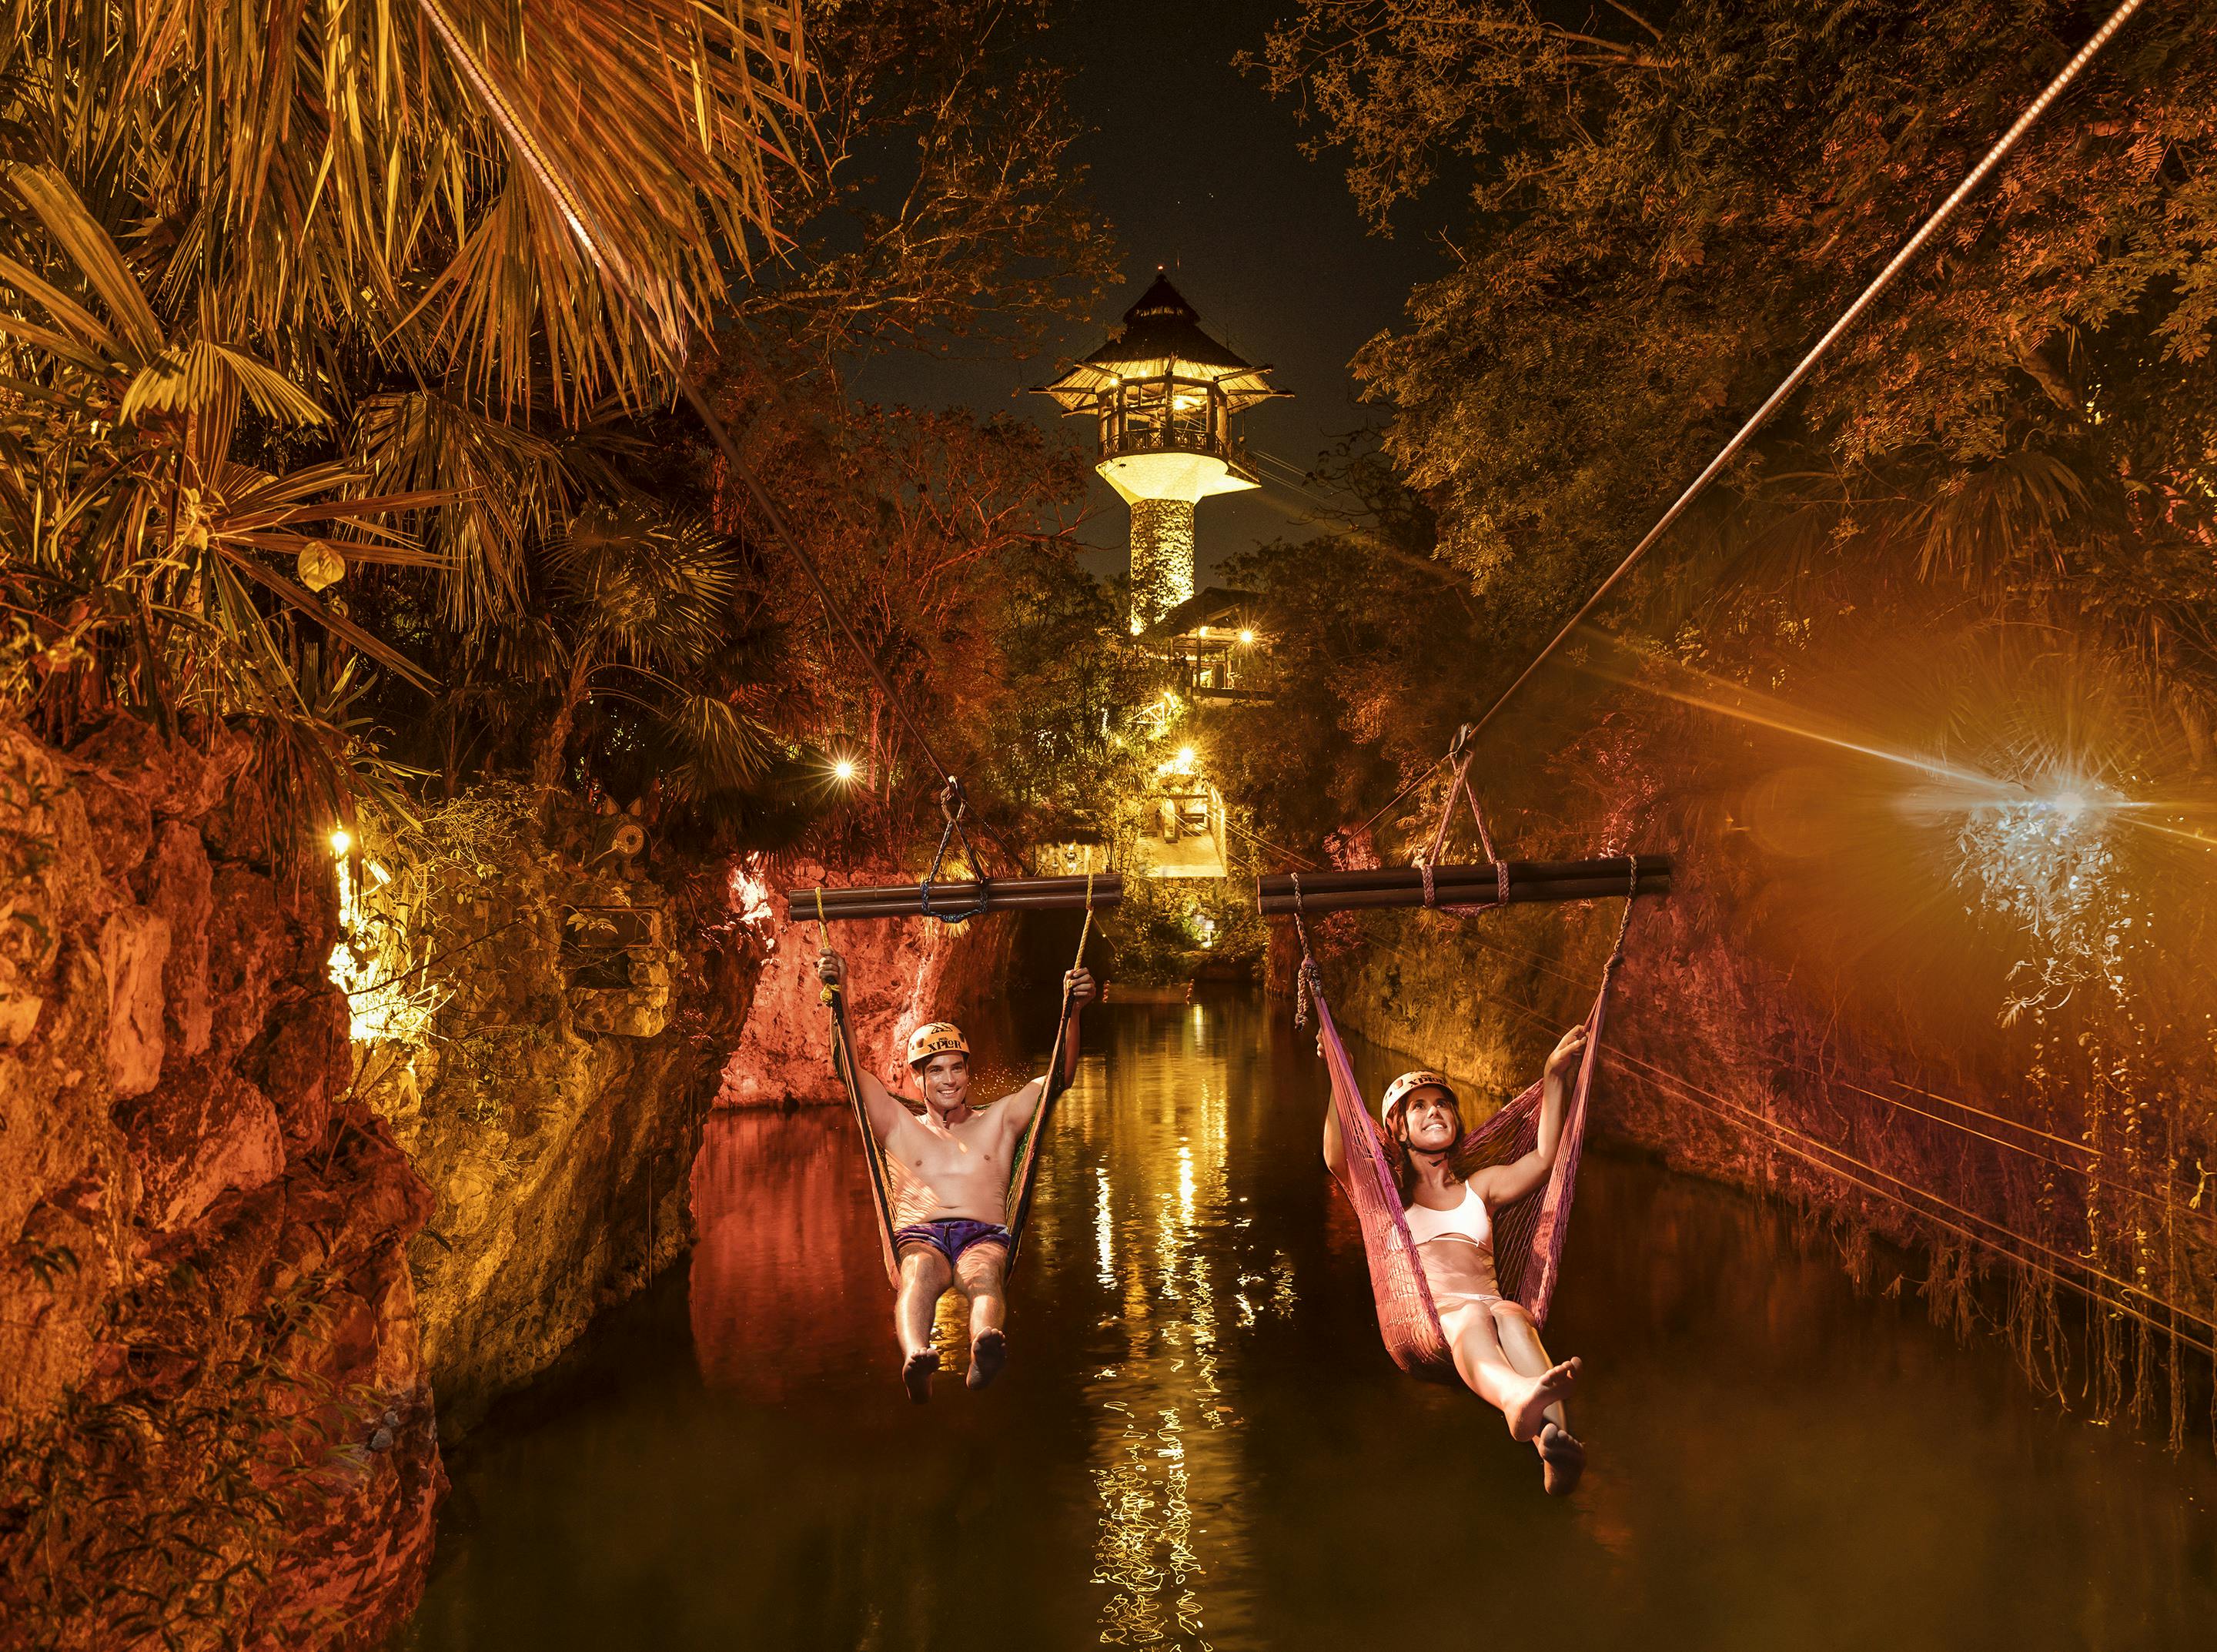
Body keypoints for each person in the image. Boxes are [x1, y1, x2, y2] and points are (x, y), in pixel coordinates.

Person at [818, 949, 1096, 1403]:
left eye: (957, 1067)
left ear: (969, 1070)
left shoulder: (999, 1120)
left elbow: (1057, 1078)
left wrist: (1072, 1012)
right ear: (917, 1080)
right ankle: (916, 1361)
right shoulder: (895, 1123)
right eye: (936, 1071)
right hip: (918, 1235)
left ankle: (984, 1349)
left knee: (985, 1273)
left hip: (985, 1234)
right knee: (920, 1273)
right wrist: (840, 997)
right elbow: (848, 1070)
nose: (949, 1079)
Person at [1325, 1026, 1591, 1494]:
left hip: (1489, 1312)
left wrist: (1554, 1076)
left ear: (1456, 1121)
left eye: (1443, 1104)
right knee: (1474, 1313)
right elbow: (1337, 1155)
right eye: (1419, 1106)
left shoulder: (1480, 1189)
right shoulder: (1390, 1203)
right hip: (1428, 1325)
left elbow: (1547, 1156)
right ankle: (1516, 1400)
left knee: (1510, 1312)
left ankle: (1555, 1448)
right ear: (1398, 1130)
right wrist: (1335, 1071)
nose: (1434, 1111)